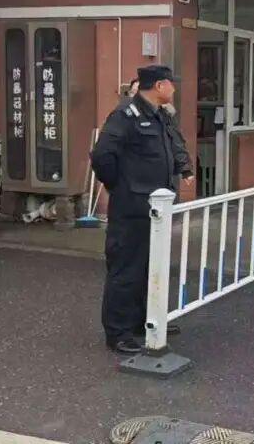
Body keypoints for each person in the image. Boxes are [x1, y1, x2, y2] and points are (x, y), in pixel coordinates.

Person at [91, 65, 195, 354]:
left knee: (149, 268)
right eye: (171, 83)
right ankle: (118, 332)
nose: (174, 88)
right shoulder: (126, 115)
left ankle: (142, 321)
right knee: (125, 269)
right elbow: (102, 156)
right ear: (159, 85)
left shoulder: (160, 115)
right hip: (131, 208)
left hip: (155, 209)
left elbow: (172, 146)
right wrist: (120, 187)